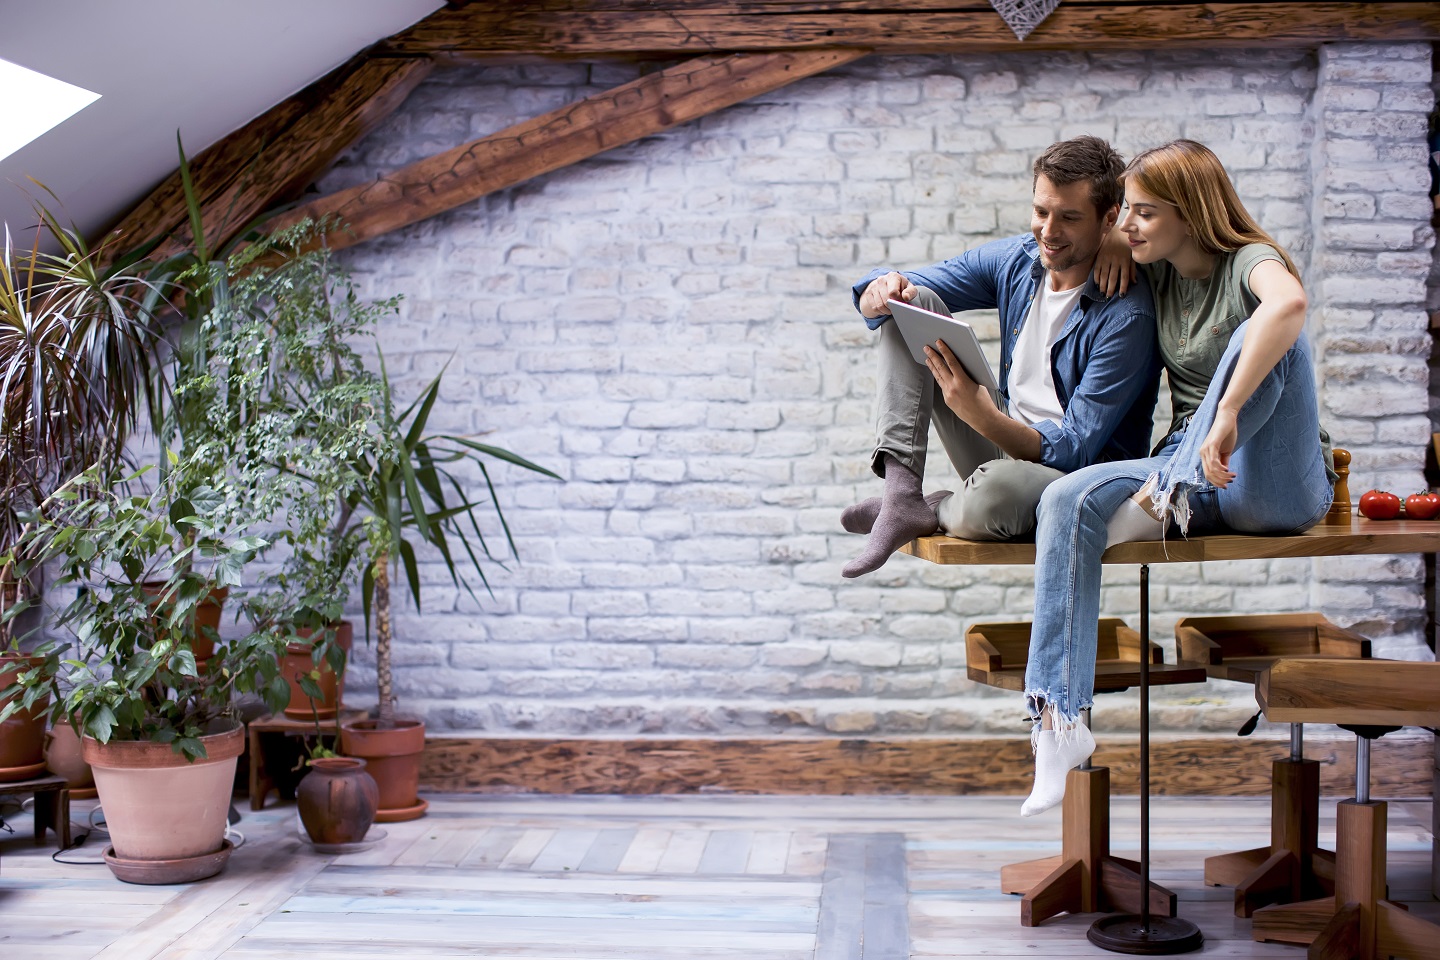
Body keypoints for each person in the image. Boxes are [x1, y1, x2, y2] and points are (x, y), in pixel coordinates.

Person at [1020, 139, 1334, 817]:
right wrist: (1112, 242)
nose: (1125, 225)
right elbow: (1104, 239)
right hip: (1196, 471)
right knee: (1064, 500)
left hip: (1272, 475)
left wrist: (1224, 415)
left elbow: (1289, 305)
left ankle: (1174, 484)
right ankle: (1059, 724)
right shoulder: (1151, 267)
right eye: (1124, 213)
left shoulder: (1250, 262)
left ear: (1190, 214)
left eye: (1141, 213)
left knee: (1266, 332)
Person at [843, 135, 1160, 579]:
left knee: (997, 493)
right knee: (909, 304)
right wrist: (878, 291)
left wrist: (980, 413)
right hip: (1000, 445)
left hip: (1071, 480)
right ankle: (901, 494)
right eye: (1041, 212)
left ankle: (932, 507)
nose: (1048, 232)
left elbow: (1074, 450)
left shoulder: (1128, 314)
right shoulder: (1019, 260)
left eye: (1069, 217)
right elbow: (907, 282)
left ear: (1109, 218)